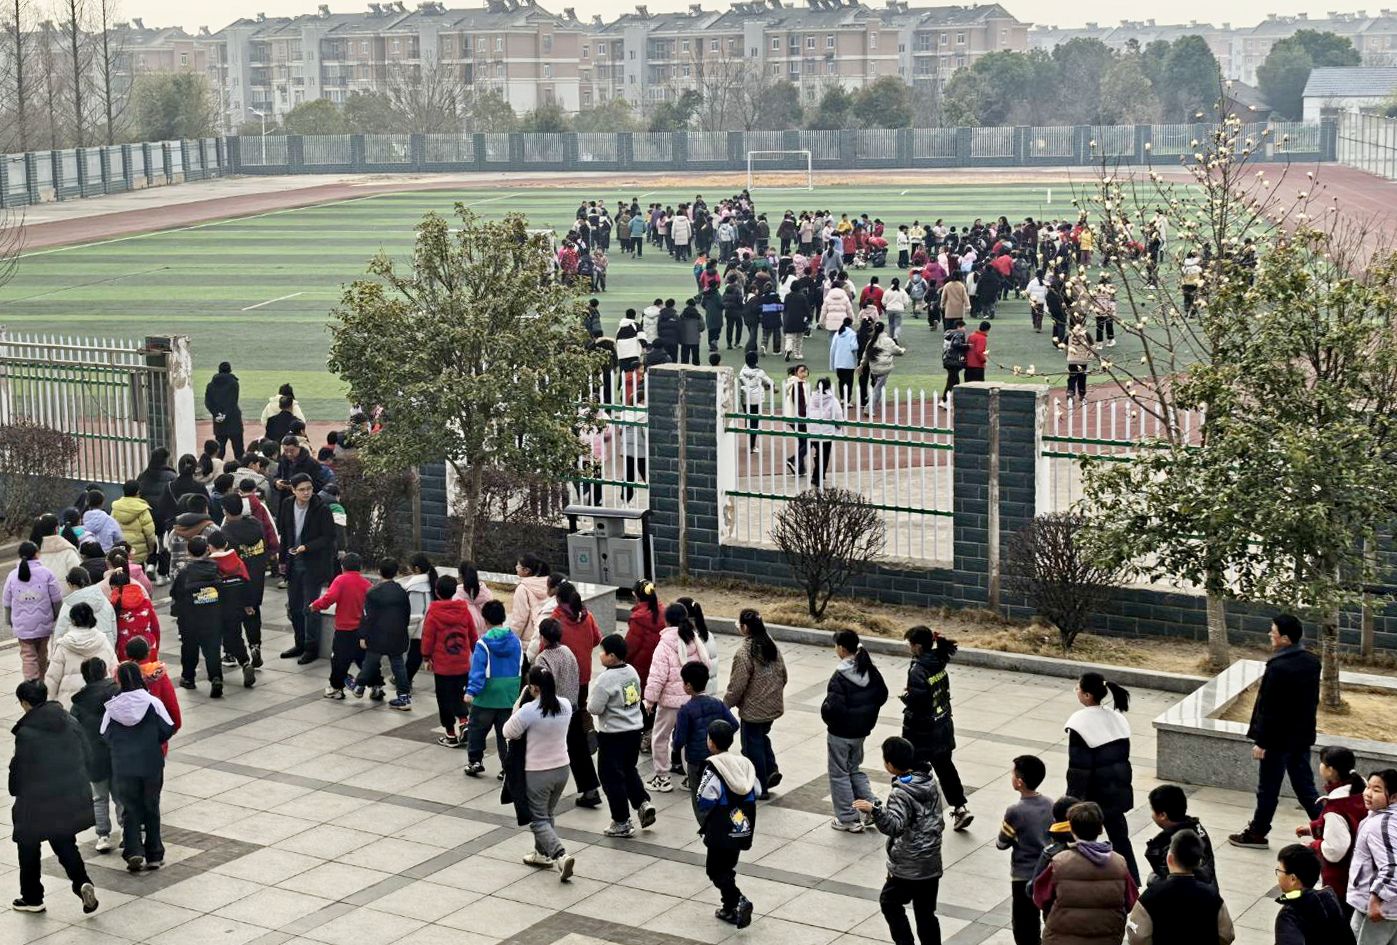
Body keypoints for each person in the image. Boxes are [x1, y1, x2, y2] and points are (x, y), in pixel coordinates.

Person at [1229, 614, 1323, 850]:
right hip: (1299, 737)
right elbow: (1309, 704)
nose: (1270, 634)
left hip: (1276, 740)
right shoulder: (1312, 662)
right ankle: (1329, 828)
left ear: (1285, 638)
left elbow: (1269, 708)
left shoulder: (1279, 667)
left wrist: (1262, 741)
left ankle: (1258, 833)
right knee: (1305, 787)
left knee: (1268, 789)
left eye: (1274, 631)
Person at [9, 679, 101, 915]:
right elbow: (88, 753)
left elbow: (20, 768)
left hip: (36, 801)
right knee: (64, 842)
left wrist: (15, 788)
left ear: (26, 703)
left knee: (28, 846)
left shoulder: (27, 732)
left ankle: (32, 897)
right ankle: (81, 882)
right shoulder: (68, 720)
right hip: (67, 795)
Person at [853, 736, 944, 945]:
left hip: (909, 864)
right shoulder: (929, 781)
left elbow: (894, 826)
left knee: (889, 902)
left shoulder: (900, 792)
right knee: (926, 913)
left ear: (890, 765)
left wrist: (874, 810)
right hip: (931, 861)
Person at [502, 665, 577, 881]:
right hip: (562, 769)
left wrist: (523, 699)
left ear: (533, 687)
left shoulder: (530, 711)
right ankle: (541, 854)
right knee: (548, 814)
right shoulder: (565, 706)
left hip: (537, 772)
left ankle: (560, 855)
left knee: (537, 820)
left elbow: (508, 730)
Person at [1065, 672, 1140, 884]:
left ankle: (1082, 878)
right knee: (1120, 838)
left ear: (1087, 695)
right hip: (1117, 790)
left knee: (1081, 839)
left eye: (1078, 688)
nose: (1076, 691)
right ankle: (1131, 880)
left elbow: (1079, 768)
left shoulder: (1080, 724)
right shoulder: (1117, 719)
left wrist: (1072, 800)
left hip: (1093, 796)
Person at [102, 660, 176, 872]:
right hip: (151, 762)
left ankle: (133, 850)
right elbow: (167, 728)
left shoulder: (112, 708)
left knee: (130, 807)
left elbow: (104, 735)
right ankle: (154, 853)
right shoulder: (152, 703)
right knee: (151, 806)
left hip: (124, 765)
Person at [1032, 801, 1138, 945]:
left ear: (1072, 830)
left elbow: (1040, 898)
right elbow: (1131, 901)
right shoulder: (1119, 863)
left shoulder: (1059, 862)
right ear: (1101, 829)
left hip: (1062, 938)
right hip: (1106, 938)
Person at [902, 626, 972, 832]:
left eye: (910, 644)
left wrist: (907, 697)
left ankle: (913, 810)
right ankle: (960, 808)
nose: (908, 648)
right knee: (945, 768)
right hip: (942, 725)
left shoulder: (918, 669)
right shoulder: (937, 661)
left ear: (918, 646)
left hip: (922, 731)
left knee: (913, 770)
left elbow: (918, 701)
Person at [589, 634, 656, 838]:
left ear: (611, 656)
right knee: (628, 769)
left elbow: (594, 707)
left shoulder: (605, 679)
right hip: (633, 731)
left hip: (613, 735)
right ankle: (642, 803)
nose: (599, 655)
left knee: (611, 778)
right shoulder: (632, 671)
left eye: (602, 652)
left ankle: (621, 821)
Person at [822, 629, 889, 832]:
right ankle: (873, 807)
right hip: (861, 732)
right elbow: (882, 695)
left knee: (839, 773)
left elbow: (832, 708)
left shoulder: (840, 676)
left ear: (842, 648)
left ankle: (848, 818)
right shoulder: (869, 669)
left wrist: (827, 716)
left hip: (840, 733)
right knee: (853, 769)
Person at [643, 602, 713, 792]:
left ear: (666, 621)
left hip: (670, 703)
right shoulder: (694, 640)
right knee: (687, 739)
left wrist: (650, 700)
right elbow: (706, 665)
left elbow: (657, 675)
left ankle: (662, 777)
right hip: (692, 700)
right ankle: (691, 778)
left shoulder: (664, 644)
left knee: (660, 738)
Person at [695, 719, 757, 929]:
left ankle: (738, 900)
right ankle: (729, 908)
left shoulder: (713, 766)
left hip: (720, 828)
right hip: (741, 826)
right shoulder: (745, 763)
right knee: (727, 866)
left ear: (711, 742)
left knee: (714, 869)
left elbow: (704, 798)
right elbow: (754, 790)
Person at [1124, 829, 1235, 945]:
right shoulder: (1212, 896)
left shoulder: (1149, 897)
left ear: (1170, 858)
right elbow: (1226, 934)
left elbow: (1138, 938)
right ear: (1198, 861)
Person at [1295, 745, 1367, 912]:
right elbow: (1349, 823)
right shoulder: (1360, 788)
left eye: (1322, 763)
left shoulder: (1335, 807)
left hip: (1341, 880)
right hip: (1362, 871)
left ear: (1330, 770)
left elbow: (1335, 850)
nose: (1319, 766)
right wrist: (1313, 828)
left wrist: (1314, 846)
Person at [724, 609, 787, 798]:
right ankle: (770, 770)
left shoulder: (744, 653)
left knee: (751, 747)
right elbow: (784, 674)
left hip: (753, 710)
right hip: (772, 705)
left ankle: (760, 786)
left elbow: (737, 686)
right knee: (761, 737)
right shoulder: (771, 644)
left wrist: (725, 704)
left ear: (744, 628)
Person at [551, 583, 603, 806]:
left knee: (569, 735)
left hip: (560, 683)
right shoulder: (587, 615)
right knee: (576, 718)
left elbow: (547, 647)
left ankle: (588, 786)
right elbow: (597, 639)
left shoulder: (556, 620)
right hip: (582, 677)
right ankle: (586, 726)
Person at [276, 473, 336, 664]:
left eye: (309, 488)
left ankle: (311, 647)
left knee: (310, 607)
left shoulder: (321, 509)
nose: (306, 493)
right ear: (293, 490)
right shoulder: (287, 505)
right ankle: (299, 643)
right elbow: (284, 533)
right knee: (294, 607)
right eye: (301, 489)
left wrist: (307, 547)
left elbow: (328, 538)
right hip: (293, 562)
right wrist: (282, 560)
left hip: (313, 564)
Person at [997, 755, 1054, 945]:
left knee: (1024, 925)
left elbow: (1002, 842)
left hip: (1023, 876)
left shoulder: (1015, 811)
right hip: (1047, 872)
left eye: (1012, 774)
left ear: (1019, 782)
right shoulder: (1050, 804)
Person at [463, 600, 522, 779]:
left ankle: (475, 761)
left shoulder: (483, 643)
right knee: (505, 733)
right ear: (503, 618)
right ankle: (507, 768)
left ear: (485, 620)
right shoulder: (516, 641)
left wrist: (471, 691)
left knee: (477, 729)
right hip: (509, 693)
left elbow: (478, 670)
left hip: (487, 694)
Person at [70, 657, 120, 855]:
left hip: (93, 755)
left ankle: (103, 836)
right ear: (105, 671)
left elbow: (73, 730)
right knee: (120, 795)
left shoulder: (79, 703)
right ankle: (127, 831)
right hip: (115, 751)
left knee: (99, 797)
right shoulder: (116, 692)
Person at [422, 574, 477, 746]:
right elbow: (472, 634)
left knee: (444, 698)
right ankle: (463, 721)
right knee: (460, 695)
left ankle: (450, 734)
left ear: (437, 592)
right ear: (454, 591)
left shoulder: (434, 612)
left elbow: (428, 637)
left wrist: (426, 656)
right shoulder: (463, 609)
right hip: (461, 663)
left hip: (443, 666)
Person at [169, 537, 227, 697]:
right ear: (207, 550)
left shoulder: (185, 573)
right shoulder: (215, 568)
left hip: (190, 618)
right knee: (213, 649)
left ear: (188, 551)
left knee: (189, 648)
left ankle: (188, 678)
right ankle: (216, 677)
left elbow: (175, 593)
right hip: (213, 616)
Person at [353, 558, 413, 710]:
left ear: (379, 572)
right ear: (396, 573)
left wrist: (362, 635)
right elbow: (407, 613)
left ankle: (359, 687)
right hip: (397, 634)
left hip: (377, 635)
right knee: (398, 665)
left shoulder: (373, 592)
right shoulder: (401, 592)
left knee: (370, 661)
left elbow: (367, 617)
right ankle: (404, 697)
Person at [1346, 769, 1397, 941]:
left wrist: (1376, 900)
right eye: (1368, 787)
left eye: (1376, 790)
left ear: (1394, 797)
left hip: (1377, 907)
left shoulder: (1380, 825)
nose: (1368, 793)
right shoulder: (1384, 818)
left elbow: (1392, 866)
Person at [311, 552, 370, 699]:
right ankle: (376, 685)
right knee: (364, 659)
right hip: (361, 630)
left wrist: (315, 606)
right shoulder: (367, 584)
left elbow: (329, 598)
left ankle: (336, 688)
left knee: (339, 660)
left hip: (344, 629)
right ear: (360, 568)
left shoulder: (340, 580)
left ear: (342, 567)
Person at [218, 495, 267, 670]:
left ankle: (231, 653)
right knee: (253, 614)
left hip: (236, 583)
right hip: (257, 579)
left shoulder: (225, 533)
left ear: (225, 511)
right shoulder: (257, 525)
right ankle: (255, 646)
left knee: (232, 621)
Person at [1273, 843, 1357, 945]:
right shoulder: (1328, 898)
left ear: (1293, 879)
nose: (1278, 875)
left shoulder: (1290, 913)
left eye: (1279, 871)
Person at [674, 662, 737, 792]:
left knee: (698, 795)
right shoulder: (717, 703)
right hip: (718, 757)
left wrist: (675, 749)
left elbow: (680, 739)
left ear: (689, 686)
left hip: (695, 759)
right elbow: (734, 725)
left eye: (684, 682)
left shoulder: (685, 710)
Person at [5, 542, 62, 681]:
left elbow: (6, 602)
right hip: (43, 623)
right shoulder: (47, 573)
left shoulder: (12, 575)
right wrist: (55, 616)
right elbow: (57, 599)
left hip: (22, 626)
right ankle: (42, 681)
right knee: (42, 654)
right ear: (37, 554)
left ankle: (31, 683)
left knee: (28, 656)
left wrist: (9, 621)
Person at [206, 532, 257, 689]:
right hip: (235, 608)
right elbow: (247, 583)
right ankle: (245, 662)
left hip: (216, 609)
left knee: (213, 640)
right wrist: (248, 605)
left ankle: (216, 676)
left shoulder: (210, 564)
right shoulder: (238, 562)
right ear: (226, 544)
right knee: (235, 637)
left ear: (210, 547)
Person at [1143, 784, 1217, 888]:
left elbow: (1175, 882)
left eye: (1152, 810)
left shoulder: (1177, 844)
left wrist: (1153, 880)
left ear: (1163, 815)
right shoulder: (1195, 828)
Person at [43, 603, 116, 704]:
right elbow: (115, 669)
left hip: (71, 703)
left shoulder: (64, 644)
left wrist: (48, 702)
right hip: (101, 700)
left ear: (72, 620)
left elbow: (52, 678)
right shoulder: (103, 640)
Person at [54, 568, 116, 650]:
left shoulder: (68, 605)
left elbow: (60, 633)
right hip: (105, 648)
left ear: (69, 584)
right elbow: (113, 627)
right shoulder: (103, 600)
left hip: (78, 651)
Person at [111, 570, 160, 662]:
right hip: (147, 646)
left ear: (113, 587)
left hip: (125, 649)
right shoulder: (145, 601)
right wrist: (156, 646)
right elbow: (155, 627)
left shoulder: (114, 604)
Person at [509, 553, 551, 658]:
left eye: (518, 566)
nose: (515, 568)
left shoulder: (523, 588)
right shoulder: (549, 584)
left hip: (528, 643)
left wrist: (511, 641)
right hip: (547, 639)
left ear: (526, 570)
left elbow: (519, 620)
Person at [862, 321, 906, 415]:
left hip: (874, 368)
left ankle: (870, 402)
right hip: (884, 369)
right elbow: (898, 351)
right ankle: (869, 408)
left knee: (876, 387)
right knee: (878, 389)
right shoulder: (888, 341)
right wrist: (903, 350)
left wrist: (862, 365)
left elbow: (865, 355)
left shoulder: (871, 341)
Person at [111, 480, 158, 567]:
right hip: (137, 552)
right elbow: (149, 533)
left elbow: (111, 528)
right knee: (138, 575)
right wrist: (151, 549)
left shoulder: (116, 507)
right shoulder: (142, 509)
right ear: (138, 492)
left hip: (120, 549)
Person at [205, 362, 245, 459]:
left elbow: (208, 402)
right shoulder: (234, 383)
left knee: (219, 450)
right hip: (233, 419)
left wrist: (217, 414)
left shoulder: (210, 385)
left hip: (219, 421)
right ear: (230, 370)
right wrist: (225, 414)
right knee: (238, 450)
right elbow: (232, 402)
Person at [738, 351, 774, 454]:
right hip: (756, 399)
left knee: (748, 418)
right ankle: (752, 446)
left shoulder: (742, 371)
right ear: (756, 360)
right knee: (755, 421)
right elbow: (770, 382)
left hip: (745, 398)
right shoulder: (760, 372)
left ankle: (750, 439)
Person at [942, 320, 968, 404]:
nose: (965, 329)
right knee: (951, 381)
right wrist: (968, 346)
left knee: (955, 381)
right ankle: (945, 400)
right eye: (963, 327)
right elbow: (956, 344)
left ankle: (956, 399)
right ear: (959, 327)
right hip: (954, 361)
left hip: (947, 360)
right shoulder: (959, 334)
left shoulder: (949, 334)